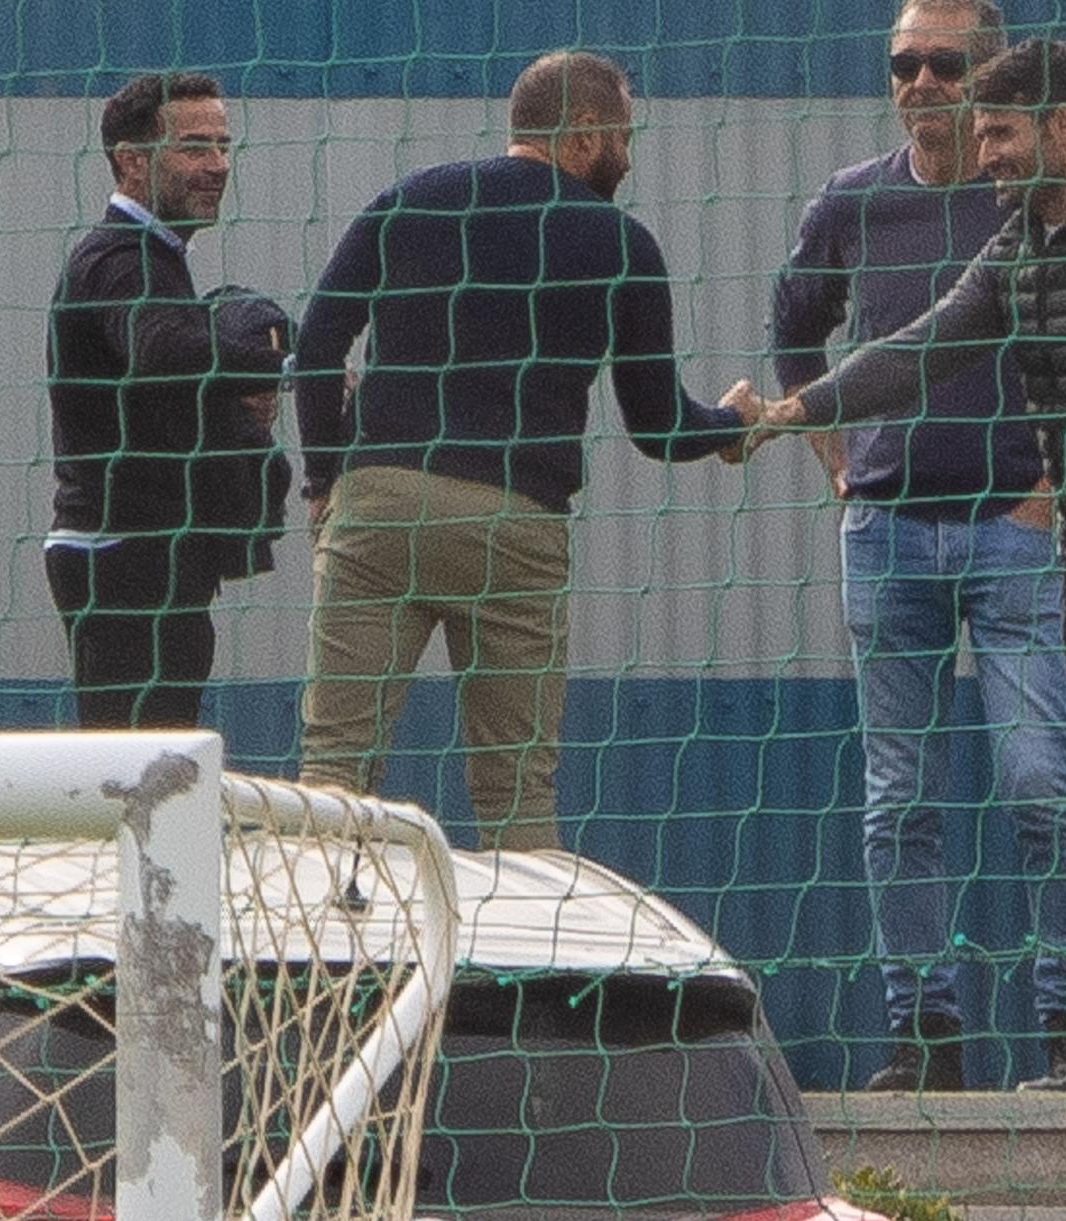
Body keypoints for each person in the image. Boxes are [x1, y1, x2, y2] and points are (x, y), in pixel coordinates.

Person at [749, 39, 1066, 1091]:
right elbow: (918, 346)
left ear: (1062, 131)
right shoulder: (1015, 251)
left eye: (999, 131)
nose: (981, 150)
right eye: (981, 131)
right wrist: (794, 412)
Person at [767, 0, 1066, 1092]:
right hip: (885, 534)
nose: (920, 84)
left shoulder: (1031, 213)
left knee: (1038, 779)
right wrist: (829, 449)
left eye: (943, 66)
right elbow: (794, 332)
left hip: (1012, 531)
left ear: (993, 84)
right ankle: (924, 1035)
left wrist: (1050, 488)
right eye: (902, 65)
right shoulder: (851, 203)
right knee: (899, 795)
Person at [293, 50, 754, 852]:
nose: (629, 155)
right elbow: (657, 427)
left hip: (381, 507)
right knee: (515, 790)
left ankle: (316, 962)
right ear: (581, 134)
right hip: (516, 526)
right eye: (622, 134)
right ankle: (529, 974)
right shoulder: (623, 246)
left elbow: (319, 339)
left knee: (333, 768)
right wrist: (733, 424)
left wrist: (324, 477)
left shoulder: (412, 199)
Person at [44, 71, 290, 728]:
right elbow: (165, 352)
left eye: (223, 145)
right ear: (131, 162)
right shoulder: (120, 258)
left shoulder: (155, 257)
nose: (217, 166)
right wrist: (293, 368)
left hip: (150, 557)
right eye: (194, 148)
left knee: (155, 763)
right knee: (136, 771)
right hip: (122, 558)